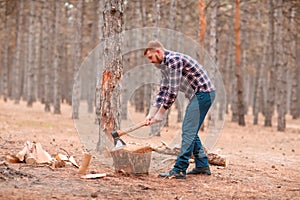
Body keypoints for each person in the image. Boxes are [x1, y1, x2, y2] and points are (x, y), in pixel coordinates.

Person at [144, 40, 216, 179]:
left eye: (151, 57)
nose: (151, 61)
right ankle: (202, 165)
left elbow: (172, 91)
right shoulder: (165, 65)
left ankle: (179, 169)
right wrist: (151, 114)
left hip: (203, 94)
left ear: (158, 52)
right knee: (191, 131)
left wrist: (161, 113)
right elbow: (163, 90)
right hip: (198, 95)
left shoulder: (174, 60)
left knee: (188, 130)